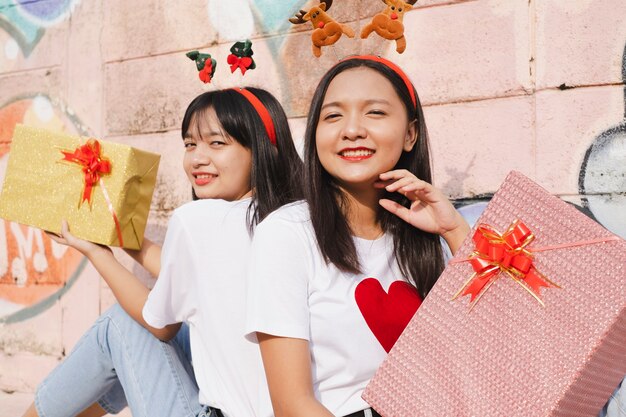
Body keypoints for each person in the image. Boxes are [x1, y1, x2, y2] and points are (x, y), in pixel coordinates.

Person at [23, 86, 303, 417]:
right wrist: (124, 235)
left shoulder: (198, 220)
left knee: (121, 326)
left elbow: (161, 325)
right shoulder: (293, 216)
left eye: (217, 143)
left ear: (260, 149)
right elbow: (189, 275)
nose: (197, 158)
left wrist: (96, 252)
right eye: (190, 144)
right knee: (181, 335)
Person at [245, 55, 470, 417]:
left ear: (410, 133)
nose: (351, 130)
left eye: (375, 113)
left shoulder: (425, 236)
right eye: (333, 116)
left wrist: (454, 230)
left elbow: (491, 345)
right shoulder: (287, 234)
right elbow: (292, 404)